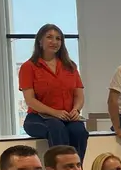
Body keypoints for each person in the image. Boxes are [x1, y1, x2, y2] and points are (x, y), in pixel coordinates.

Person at [19, 23, 89, 161]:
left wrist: (76, 109)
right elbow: (30, 100)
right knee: (56, 127)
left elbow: (79, 95)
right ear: (40, 41)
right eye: (49, 37)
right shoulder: (29, 67)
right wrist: (55, 113)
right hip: (38, 118)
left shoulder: (70, 66)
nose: (54, 42)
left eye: (58, 38)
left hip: (67, 117)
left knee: (79, 130)